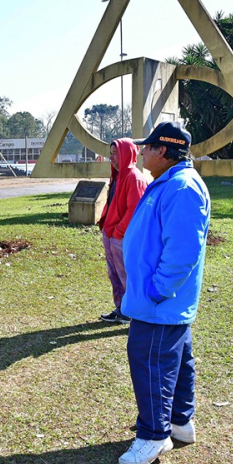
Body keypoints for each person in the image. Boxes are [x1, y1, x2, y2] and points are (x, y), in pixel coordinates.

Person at [117, 121, 211, 464]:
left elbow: (183, 250)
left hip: (159, 302)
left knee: (151, 363)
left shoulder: (182, 187)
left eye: (148, 146)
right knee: (177, 362)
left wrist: (158, 290)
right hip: (160, 301)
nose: (141, 152)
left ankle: (153, 436)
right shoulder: (169, 182)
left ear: (163, 151)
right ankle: (179, 423)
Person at [97, 138, 148, 325]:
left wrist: (119, 232)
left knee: (127, 275)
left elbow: (134, 210)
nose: (112, 158)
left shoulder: (134, 178)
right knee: (115, 275)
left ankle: (134, 313)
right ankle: (122, 309)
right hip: (111, 235)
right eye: (110, 153)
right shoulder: (118, 175)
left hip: (122, 237)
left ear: (127, 153)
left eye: (115, 153)